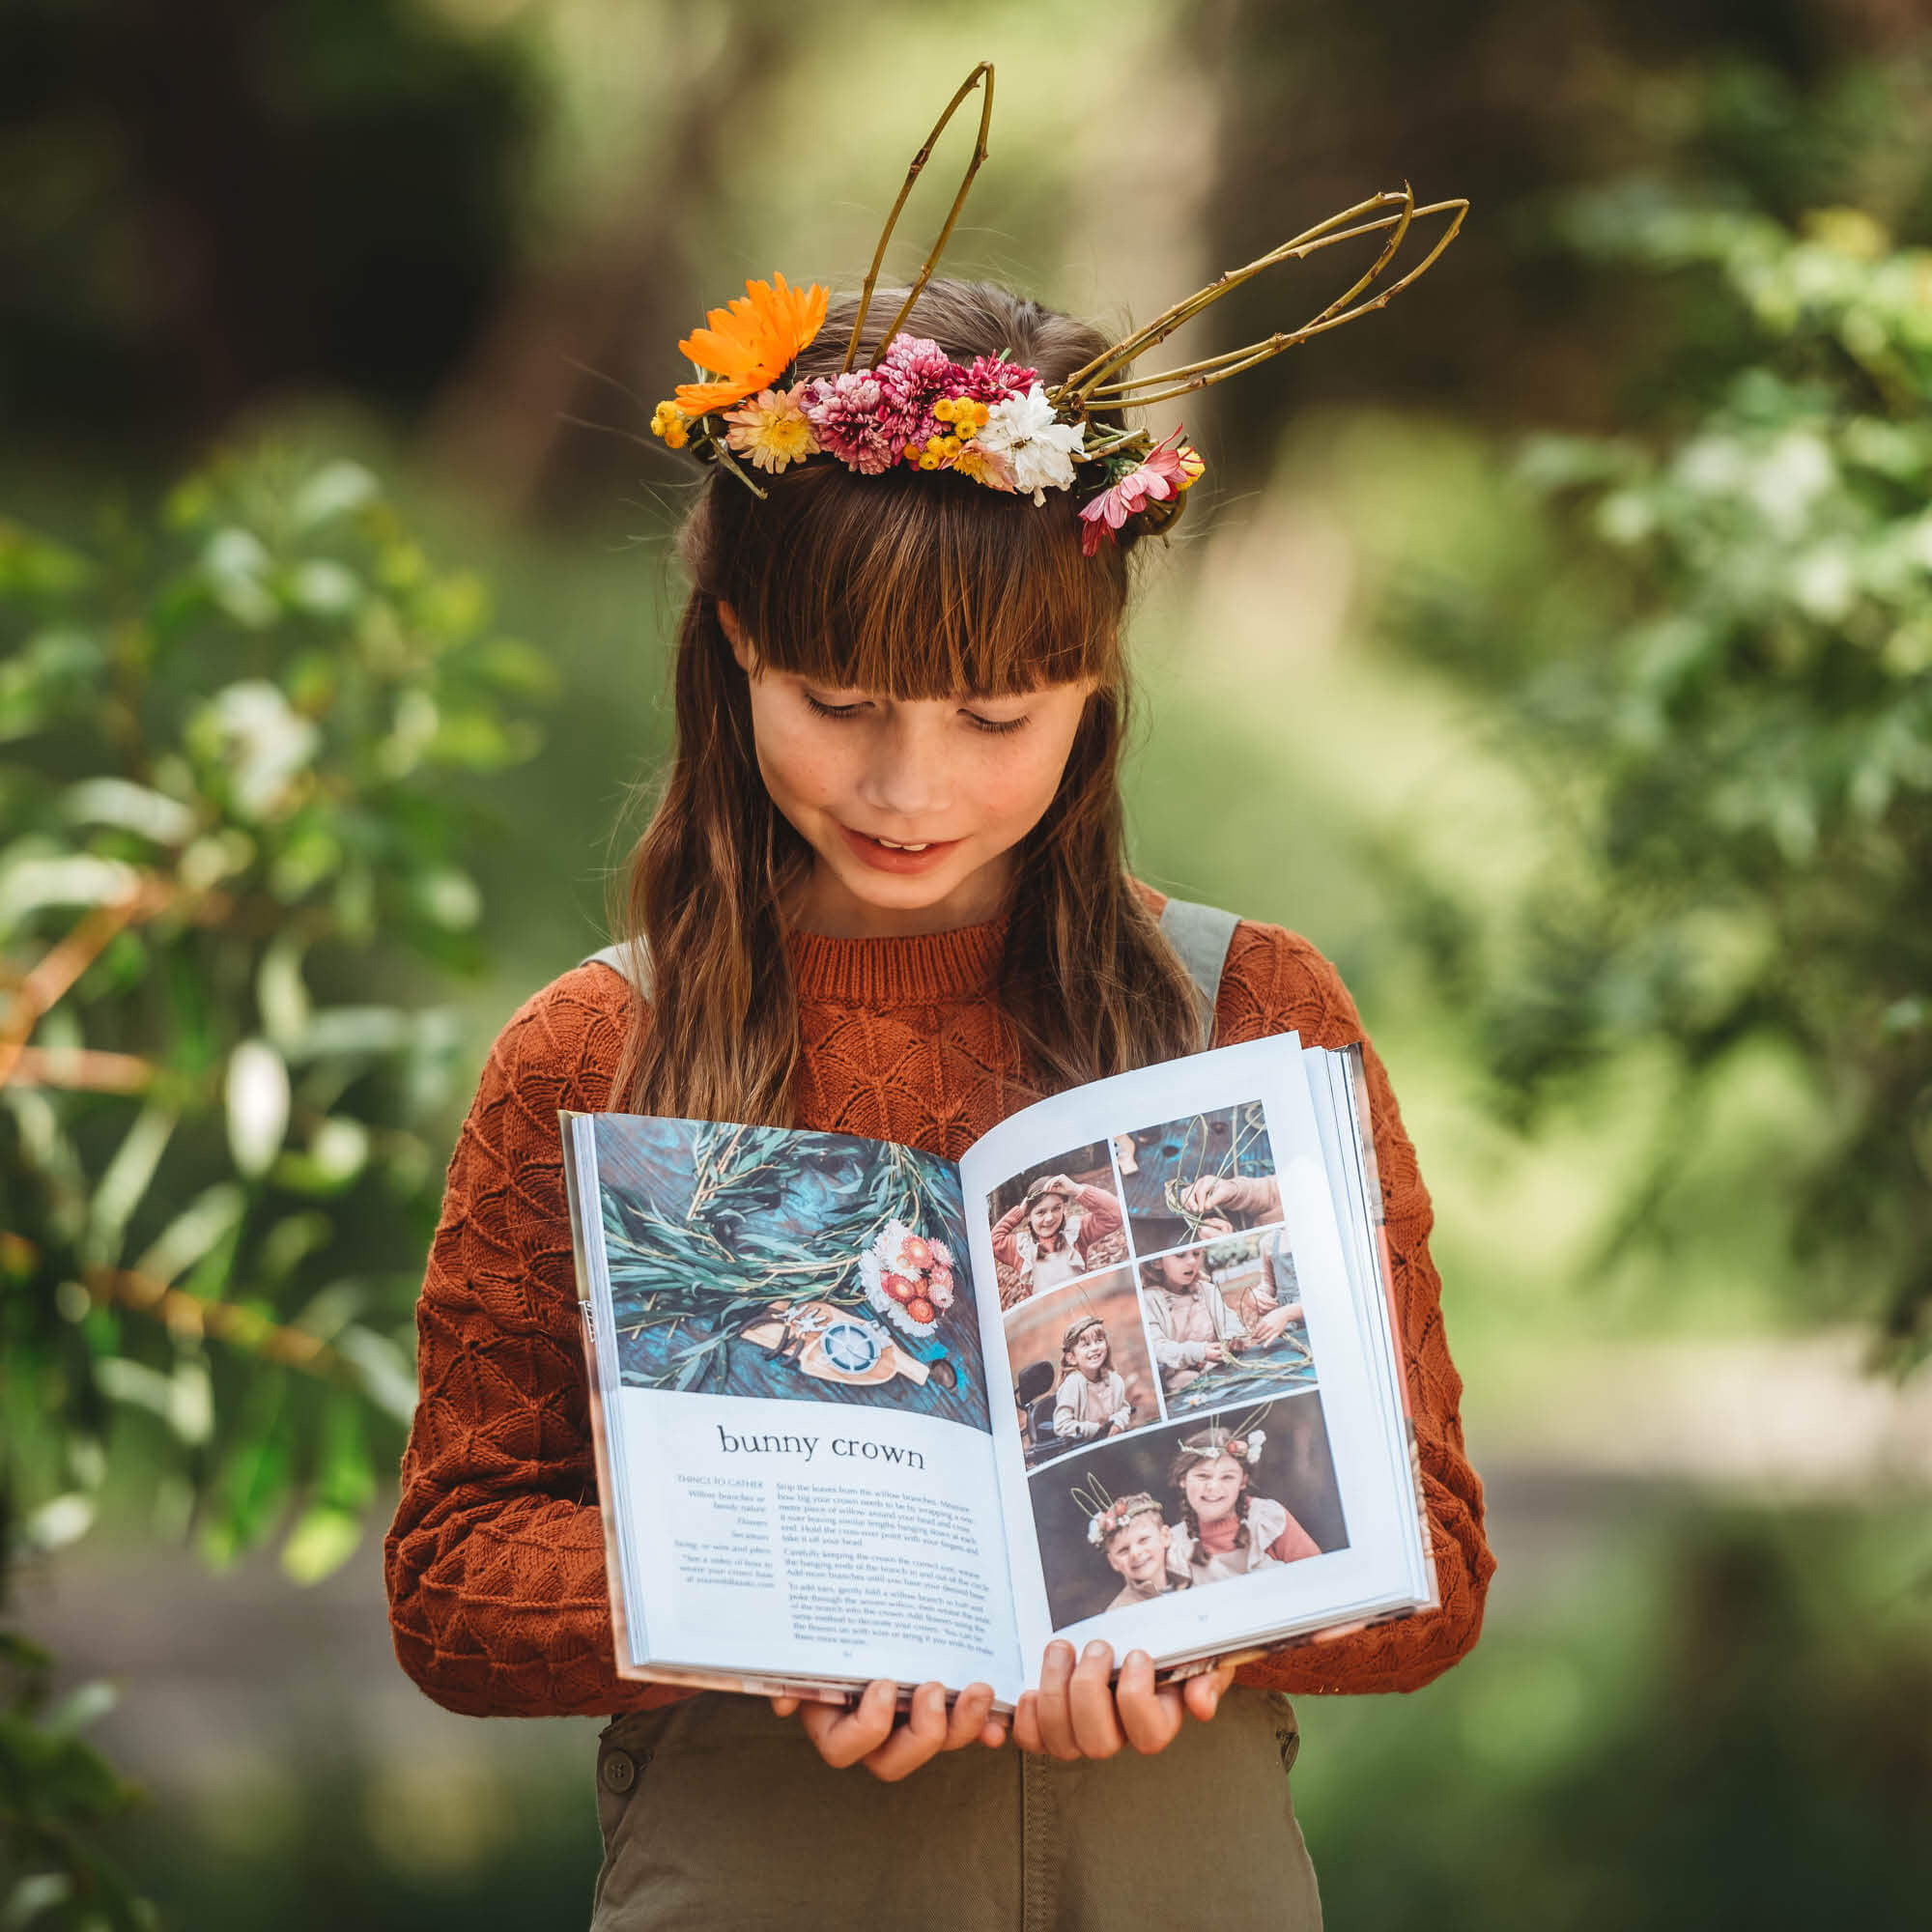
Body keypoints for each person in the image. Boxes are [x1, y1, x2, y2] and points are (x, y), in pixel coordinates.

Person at [384, 104, 1492, 1929]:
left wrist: (1197, 1610)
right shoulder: (589, 1055)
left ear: (1096, 686)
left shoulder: (1247, 1011)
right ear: (736, 644)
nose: (911, 789)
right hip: (765, 1871)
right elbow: (452, 1581)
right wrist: (783, 1607)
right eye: (839, 703)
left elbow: (1435, 1561)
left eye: (997, 721)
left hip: (1175, 1872)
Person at [1167, 1422, 1322, 1585]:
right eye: (1202, 1476)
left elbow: (1318, 1574)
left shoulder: (1267, 1519)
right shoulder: (1175, 1544)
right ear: (1183, 1480)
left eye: (1227, 1477)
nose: (1212, 1487)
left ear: (1242, 1481)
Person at [1180, 1174, 1306, 1344]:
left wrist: (1287, 1313)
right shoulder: (1269, 1242)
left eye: (1195, 1254)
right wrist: (1256, 1297)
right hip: (1289, 1330)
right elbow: (1268, 1285)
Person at [991, 1171, 1125, 1305]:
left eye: (1056, 1208)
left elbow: (1116, 1214)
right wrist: (1019, 1211)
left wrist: (1076, 1190)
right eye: (1041, 1212)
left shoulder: (1076, 1232)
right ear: (1029, 1216)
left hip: (1083, 1304)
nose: (1050, 1218)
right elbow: (993, 1242)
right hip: (1048, 1313)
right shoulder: (1020, 1248)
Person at [1140, 1245, 1253, 1397]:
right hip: (1179, 1381)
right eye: (1180, 1255)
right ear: (1157, 1262)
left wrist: (1233, 1337)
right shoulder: (1149, 1300)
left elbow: (1228, 1320)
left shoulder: (1206, 1290)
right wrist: (1199, 1352)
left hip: (1216, 1369)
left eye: (1196, 1253)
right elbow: (1158, 1348)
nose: (1192, 1261)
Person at [1088, 1492, 1187, 1612]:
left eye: (1143, 1540)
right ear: (1113, 1562)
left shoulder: (1192, 1579)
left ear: (1165, 1537)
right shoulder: (1120, 1612)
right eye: (1123, 1550)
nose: (1135, 1553)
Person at [1052, 1313, 1133, 1442]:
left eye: (1099, 1340)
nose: (1095, 1348)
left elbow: (1124, 1409)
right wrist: (1096, 1430)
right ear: (1072, 1358)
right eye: (1086, 1345)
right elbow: (1061, 1425)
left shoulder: (1113, 1380)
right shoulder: (1073, 1384)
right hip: (1086, 1447)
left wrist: (1118, 1423)